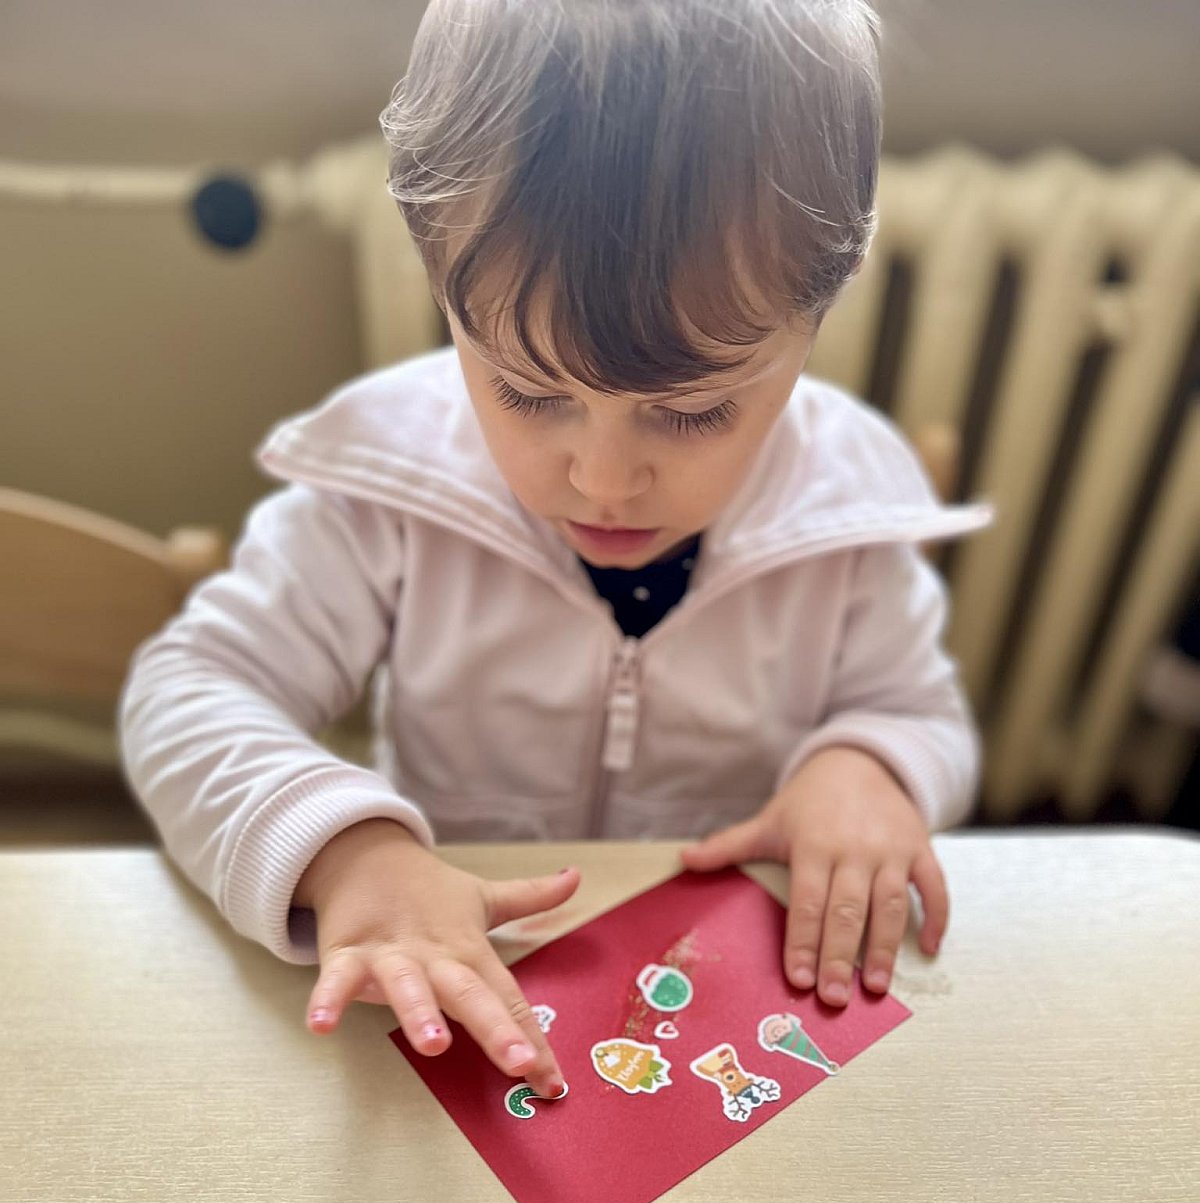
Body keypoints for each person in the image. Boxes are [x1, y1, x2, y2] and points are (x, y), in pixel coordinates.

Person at [120, 0, 988, 1104]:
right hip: (457, 994)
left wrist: (871, 767)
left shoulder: (849, 512)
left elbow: (921, 711)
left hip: (723, 1010)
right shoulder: (387, 489)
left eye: (693, 412)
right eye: (531, 393)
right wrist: (348, 852)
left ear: (815, 318)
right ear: (442, 290)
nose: (604, 479)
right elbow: (189, 688)